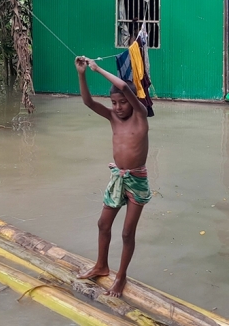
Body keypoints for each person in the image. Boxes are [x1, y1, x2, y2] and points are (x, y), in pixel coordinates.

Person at [74, 56, 151, 297]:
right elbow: (88, 102)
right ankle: (101, 265)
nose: (118, 107)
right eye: (114, 103)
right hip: (118, 178)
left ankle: (122, 276)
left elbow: (126, 88)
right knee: (102, 224)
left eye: (122, 103)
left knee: (127, 233)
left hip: (136, 180)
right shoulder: (113, 118)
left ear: (131, 103)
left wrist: (98, 69)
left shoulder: (141, 114)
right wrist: (82, 74)